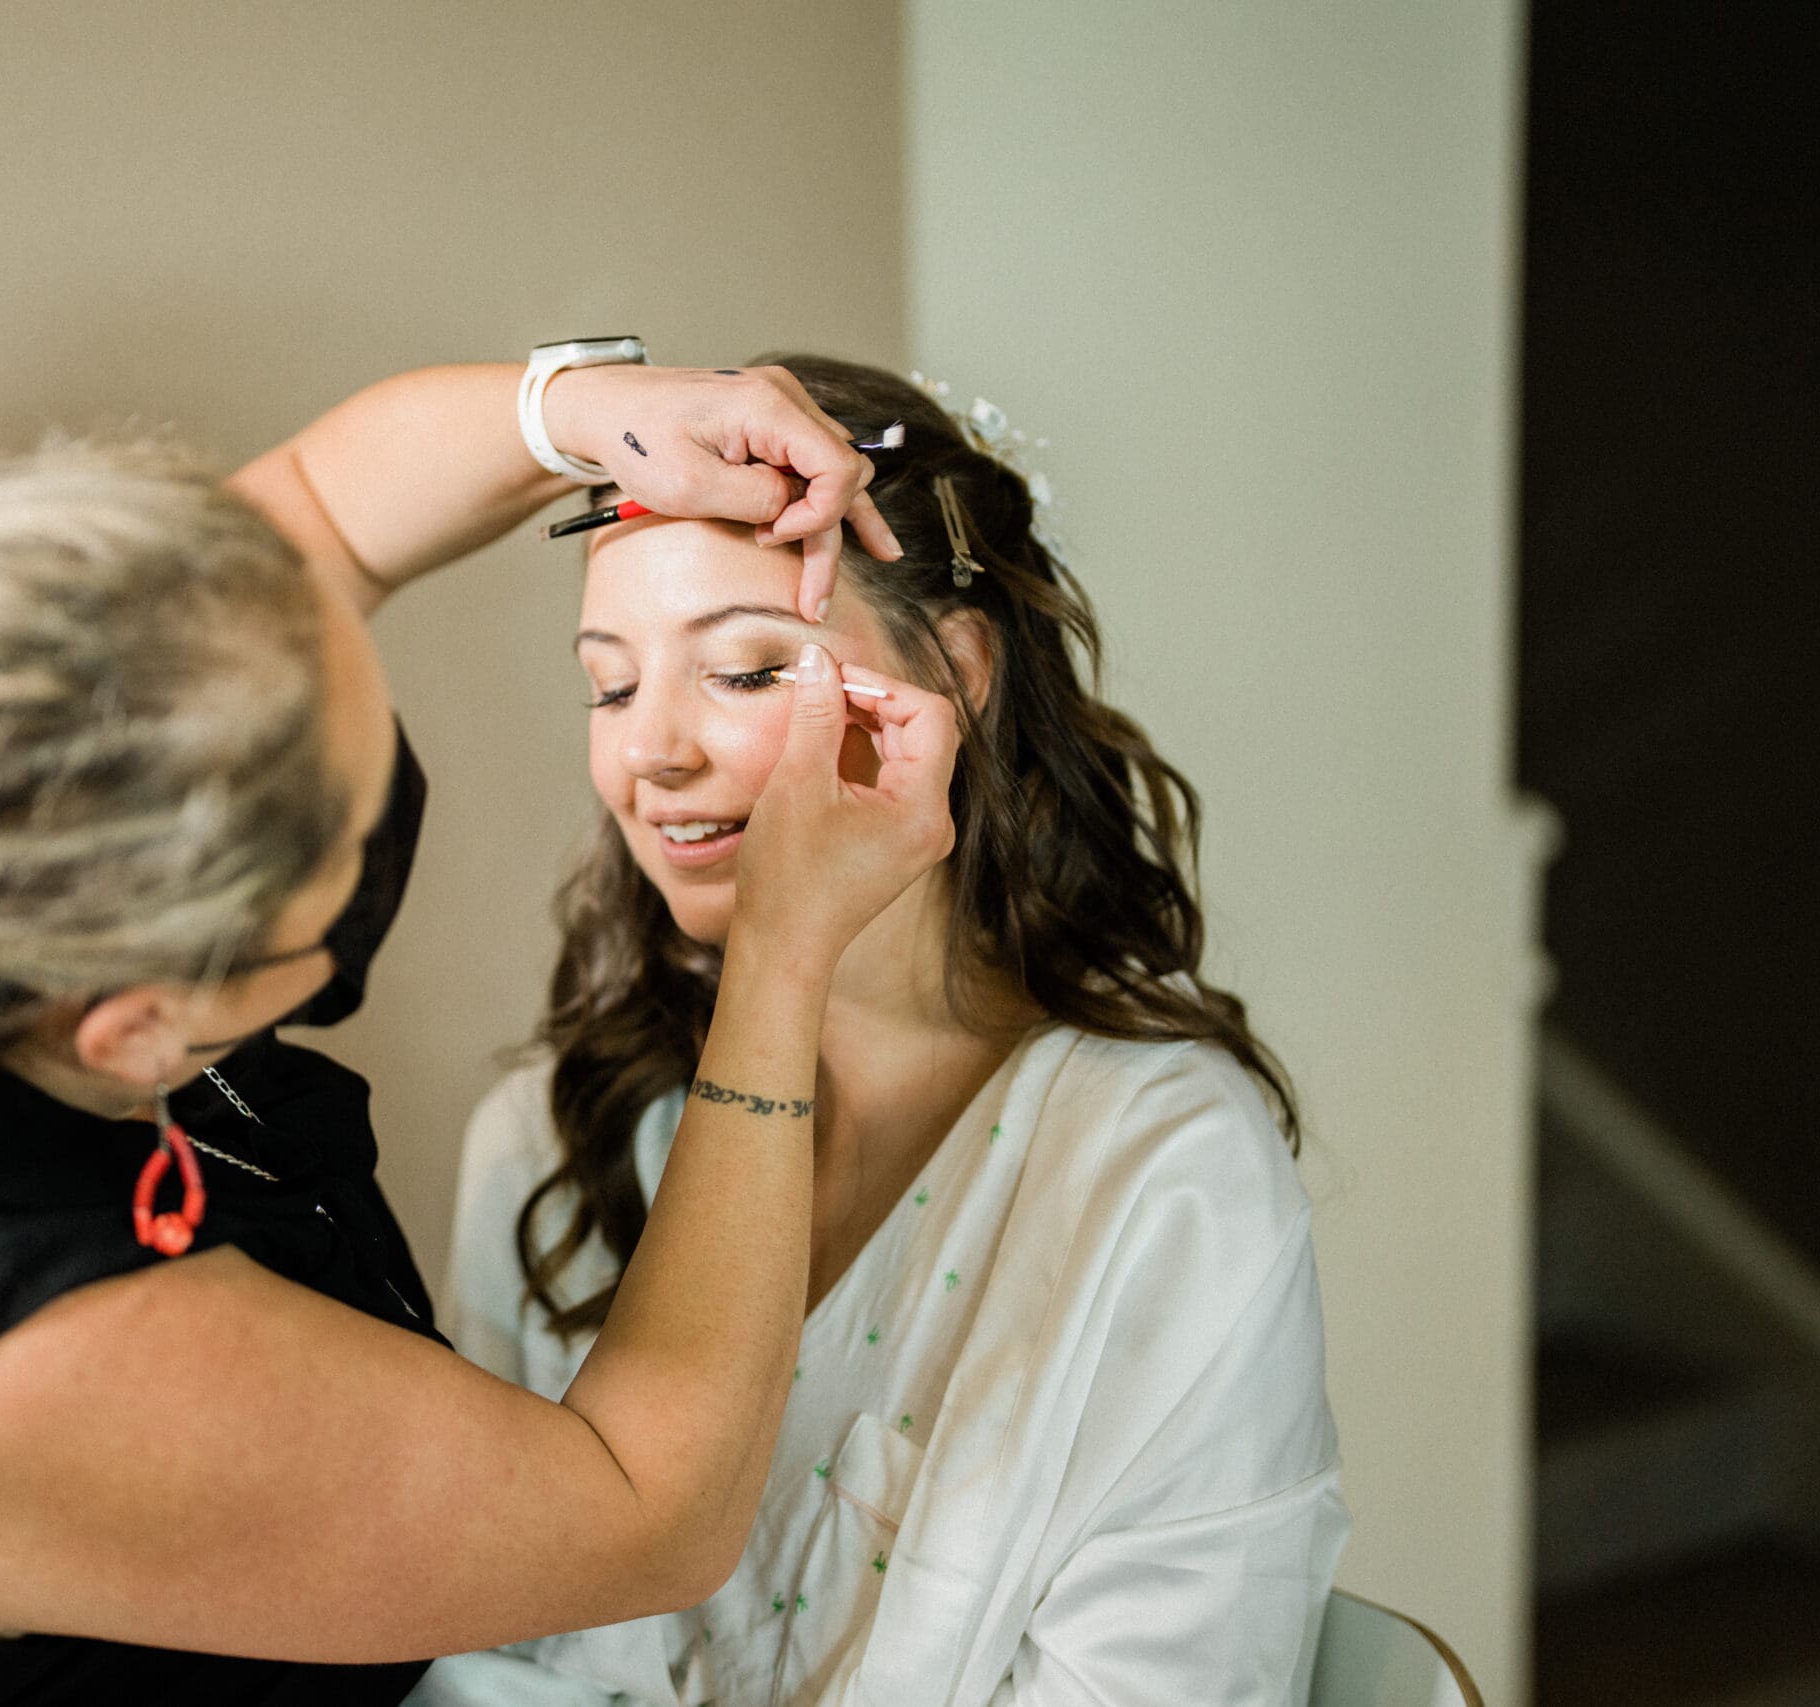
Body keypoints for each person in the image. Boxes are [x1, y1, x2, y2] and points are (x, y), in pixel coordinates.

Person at [0, 356, 965, 1704]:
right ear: (145, 1027)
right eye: (353, 851)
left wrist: (578, 407)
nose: (647, 758)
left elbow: (325, 513)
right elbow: (647, 1509)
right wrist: (781, 956)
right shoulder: (12, 1368)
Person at [419, 356, 1348, 1707]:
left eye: (745, 670)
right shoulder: (559, 1137)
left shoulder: (1160, 1172)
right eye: (610, 688)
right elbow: (475, 1645)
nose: (652, 752)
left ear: (957, 673)